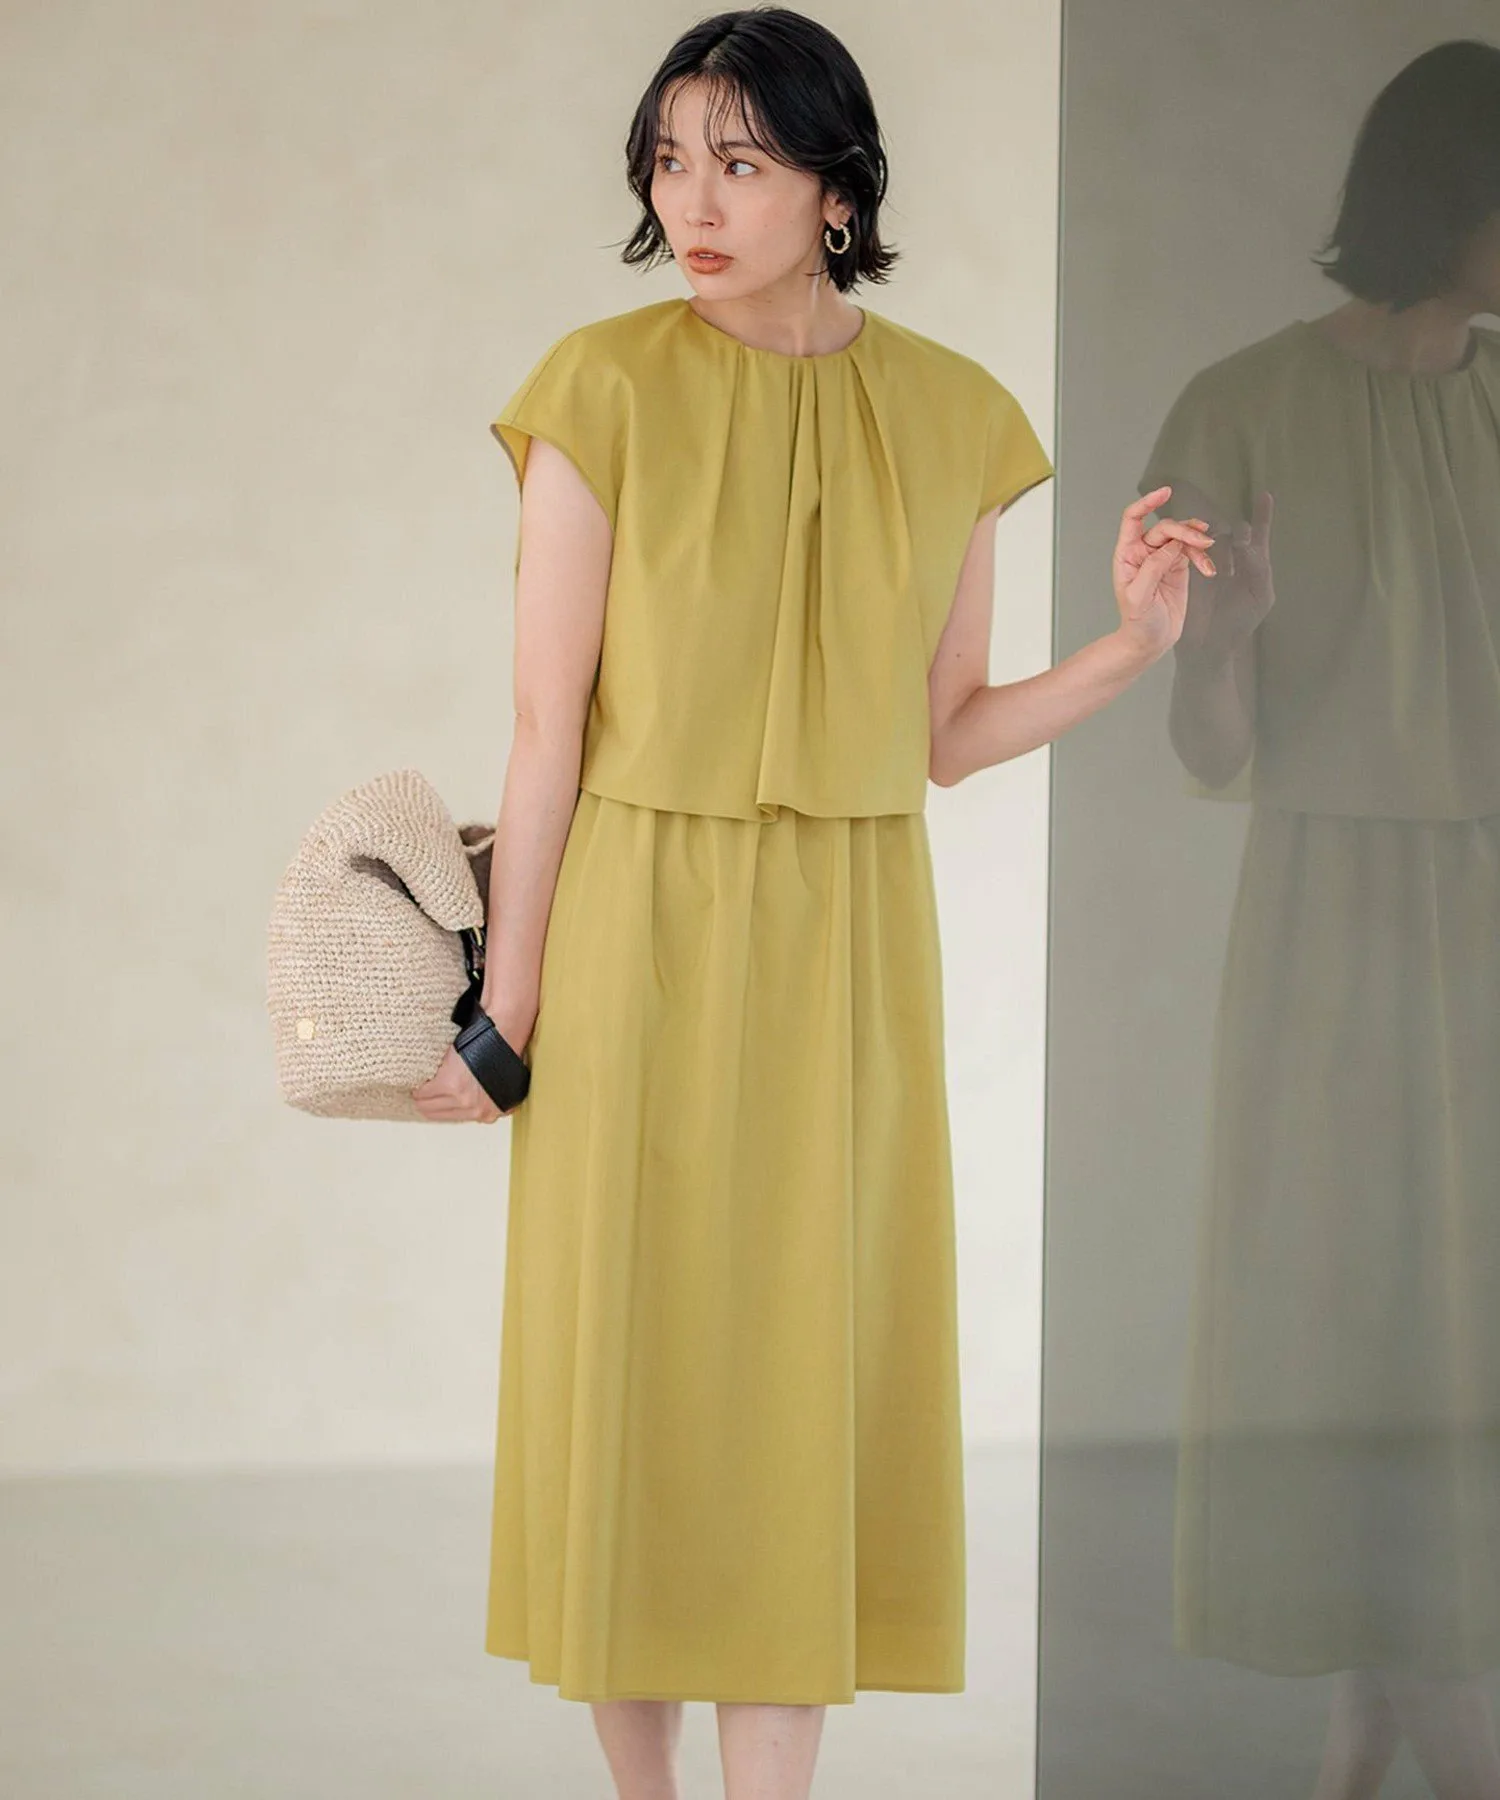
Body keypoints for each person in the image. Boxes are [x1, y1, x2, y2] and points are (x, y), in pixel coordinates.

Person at [413, 9, 1208, 1797]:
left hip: (847, 942)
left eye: (741, 163)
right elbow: (546, 730)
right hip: (632, 925)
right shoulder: (598, 390)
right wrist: (508, 1005)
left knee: (797, 1387)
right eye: (669, 160)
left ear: (838, 191)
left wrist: (1130, 649)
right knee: (635, 1378)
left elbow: (946, 733)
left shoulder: (953, 416)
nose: (692, 203)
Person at [1138, 37, 1500, 1800]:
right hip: (1334, 922)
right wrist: (1220, 643)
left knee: (1467, 1333)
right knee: (1352, 1312)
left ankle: (1377, 1736)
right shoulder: (1242, 407)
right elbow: (1208, 747)